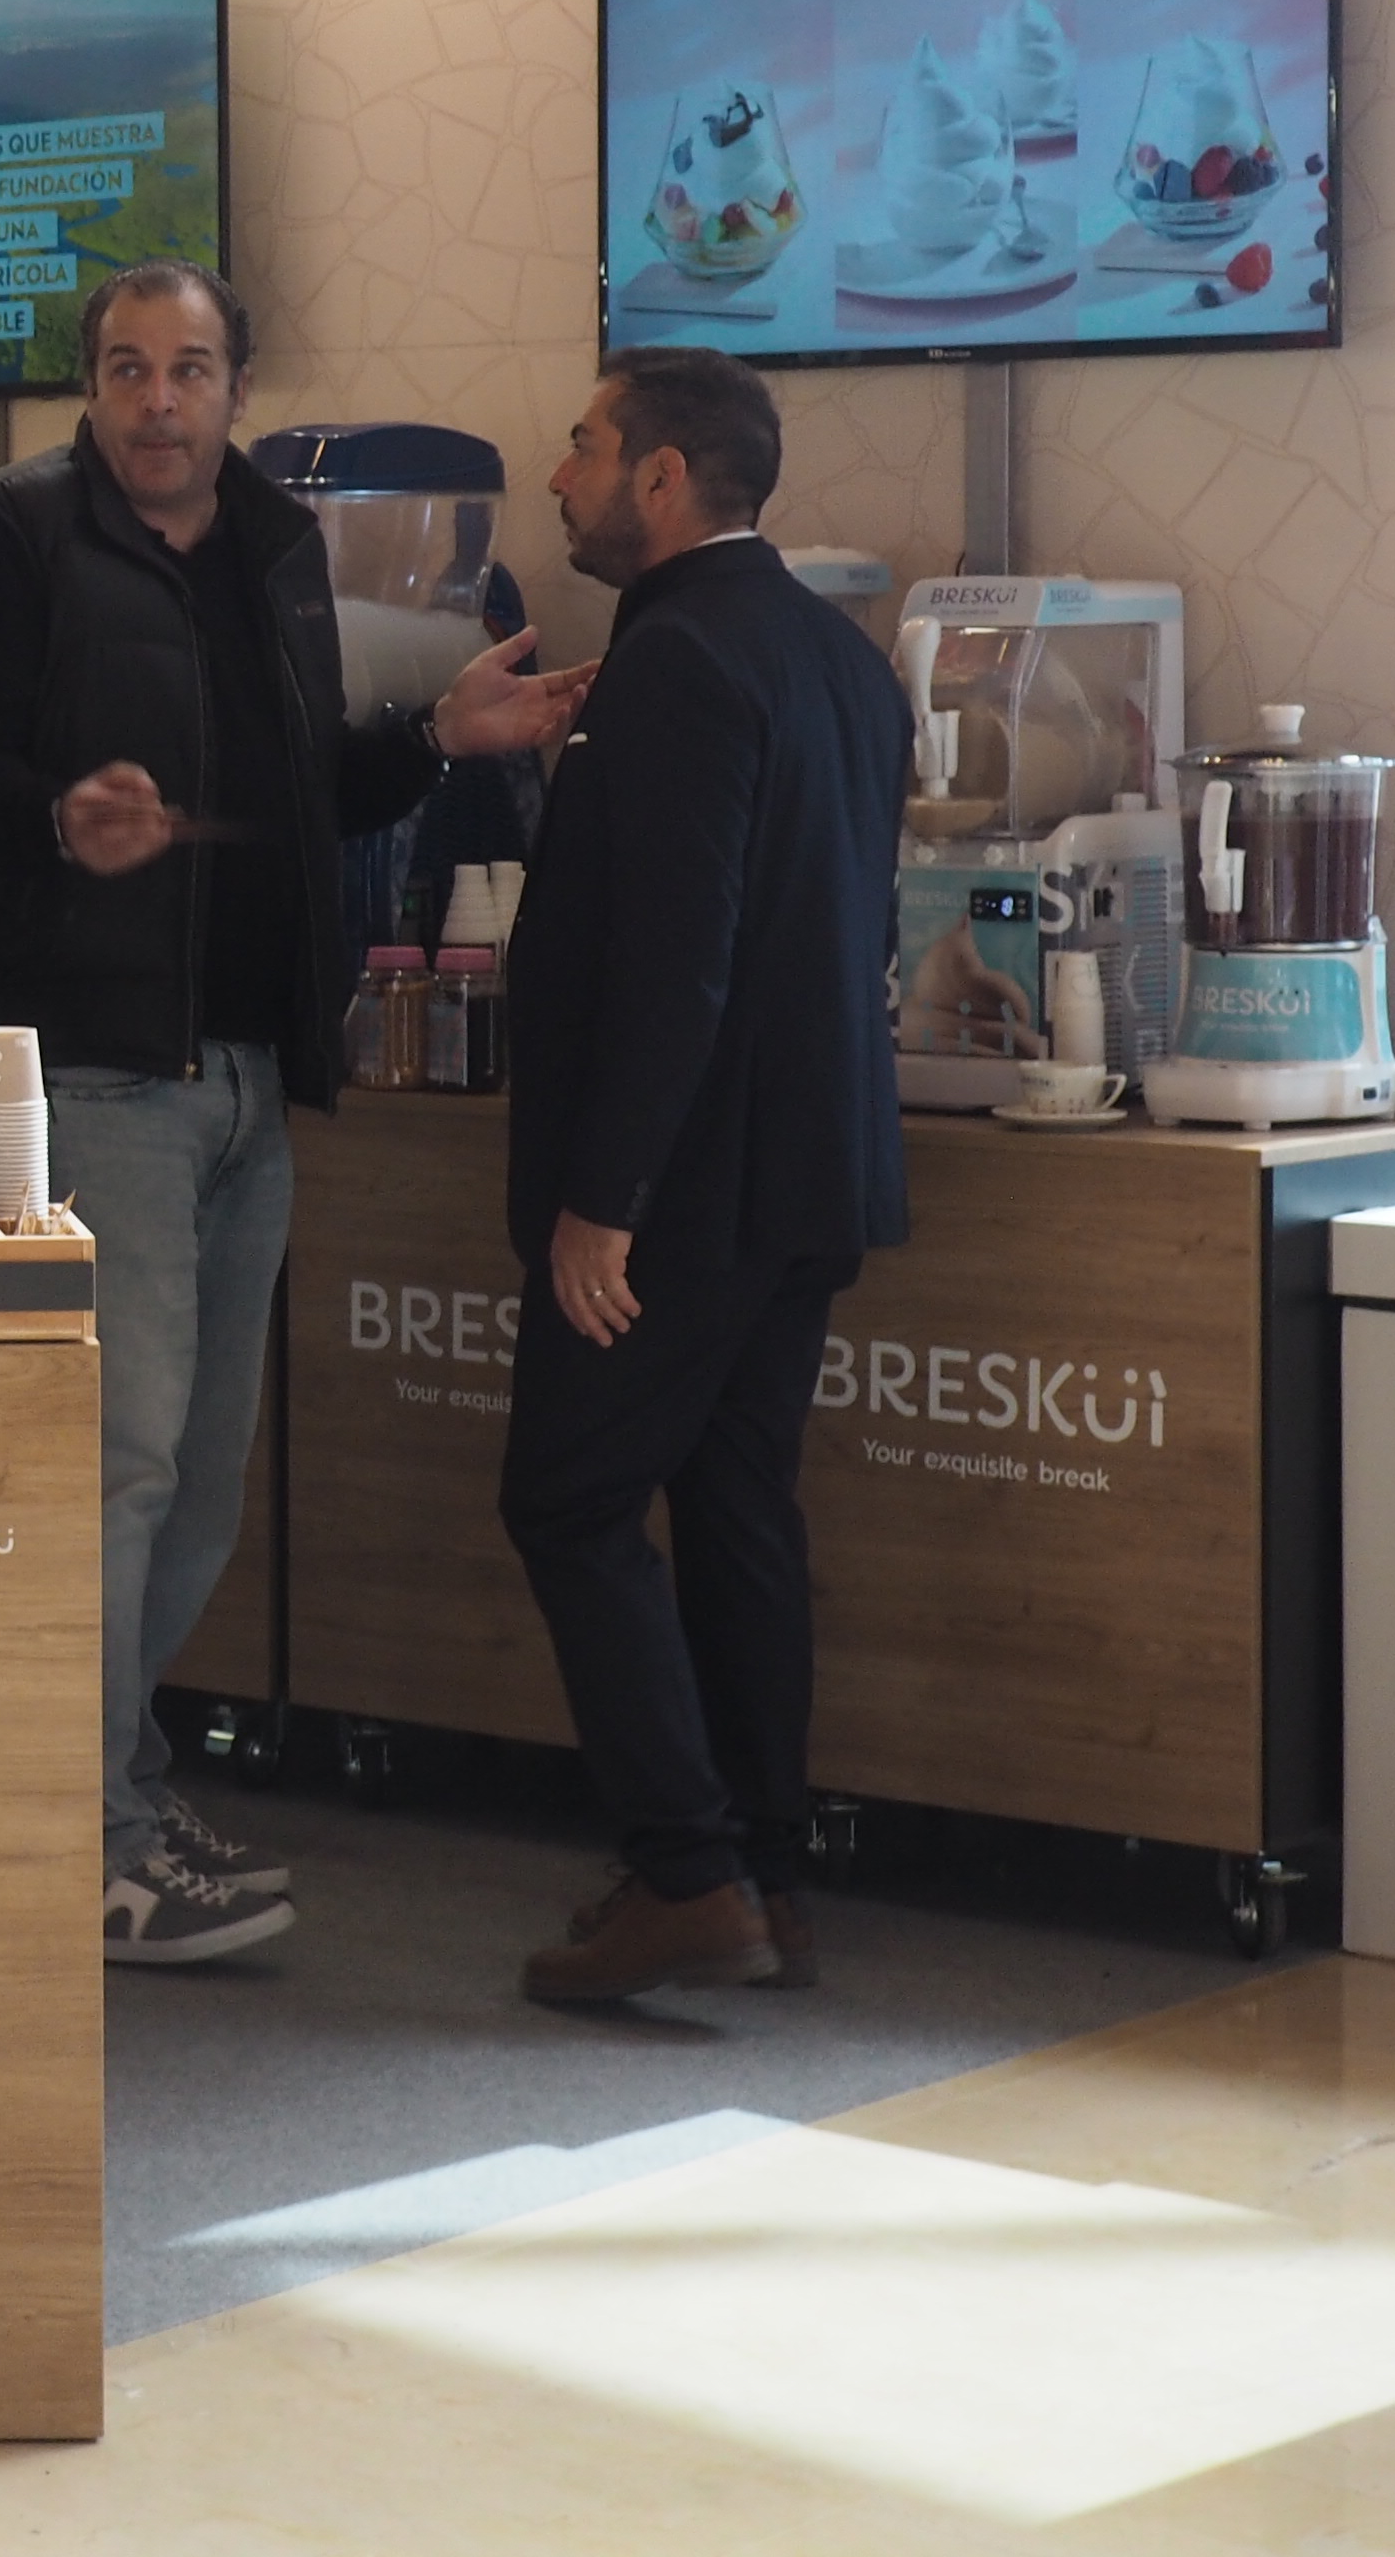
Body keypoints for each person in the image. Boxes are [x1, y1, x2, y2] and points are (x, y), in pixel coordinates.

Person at [0, 261, 580, 1967]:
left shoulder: (281, 551)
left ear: (234, 389)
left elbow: (300, 795)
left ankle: (111, 1788)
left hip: (243, 1075)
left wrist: (434, 738)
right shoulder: (7, 533)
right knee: (120, 1468)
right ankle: (83, 1840)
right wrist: (57, 815)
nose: (159, 400)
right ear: (91, 386)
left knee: (199, 1485)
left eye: (191, 369)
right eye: (129, 370)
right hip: (91, 1065)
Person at [502, 347, 907, 2007]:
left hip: (678, 1189)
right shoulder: (843, 659)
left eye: (582, 445)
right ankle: (768, 1873)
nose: (557, 475)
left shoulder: (671, 662)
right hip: (808, 1172)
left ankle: (684, 1873)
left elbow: (679, 959)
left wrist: (602, 1200)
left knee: (569, 1498)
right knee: (738, 1505)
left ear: (661, 477)